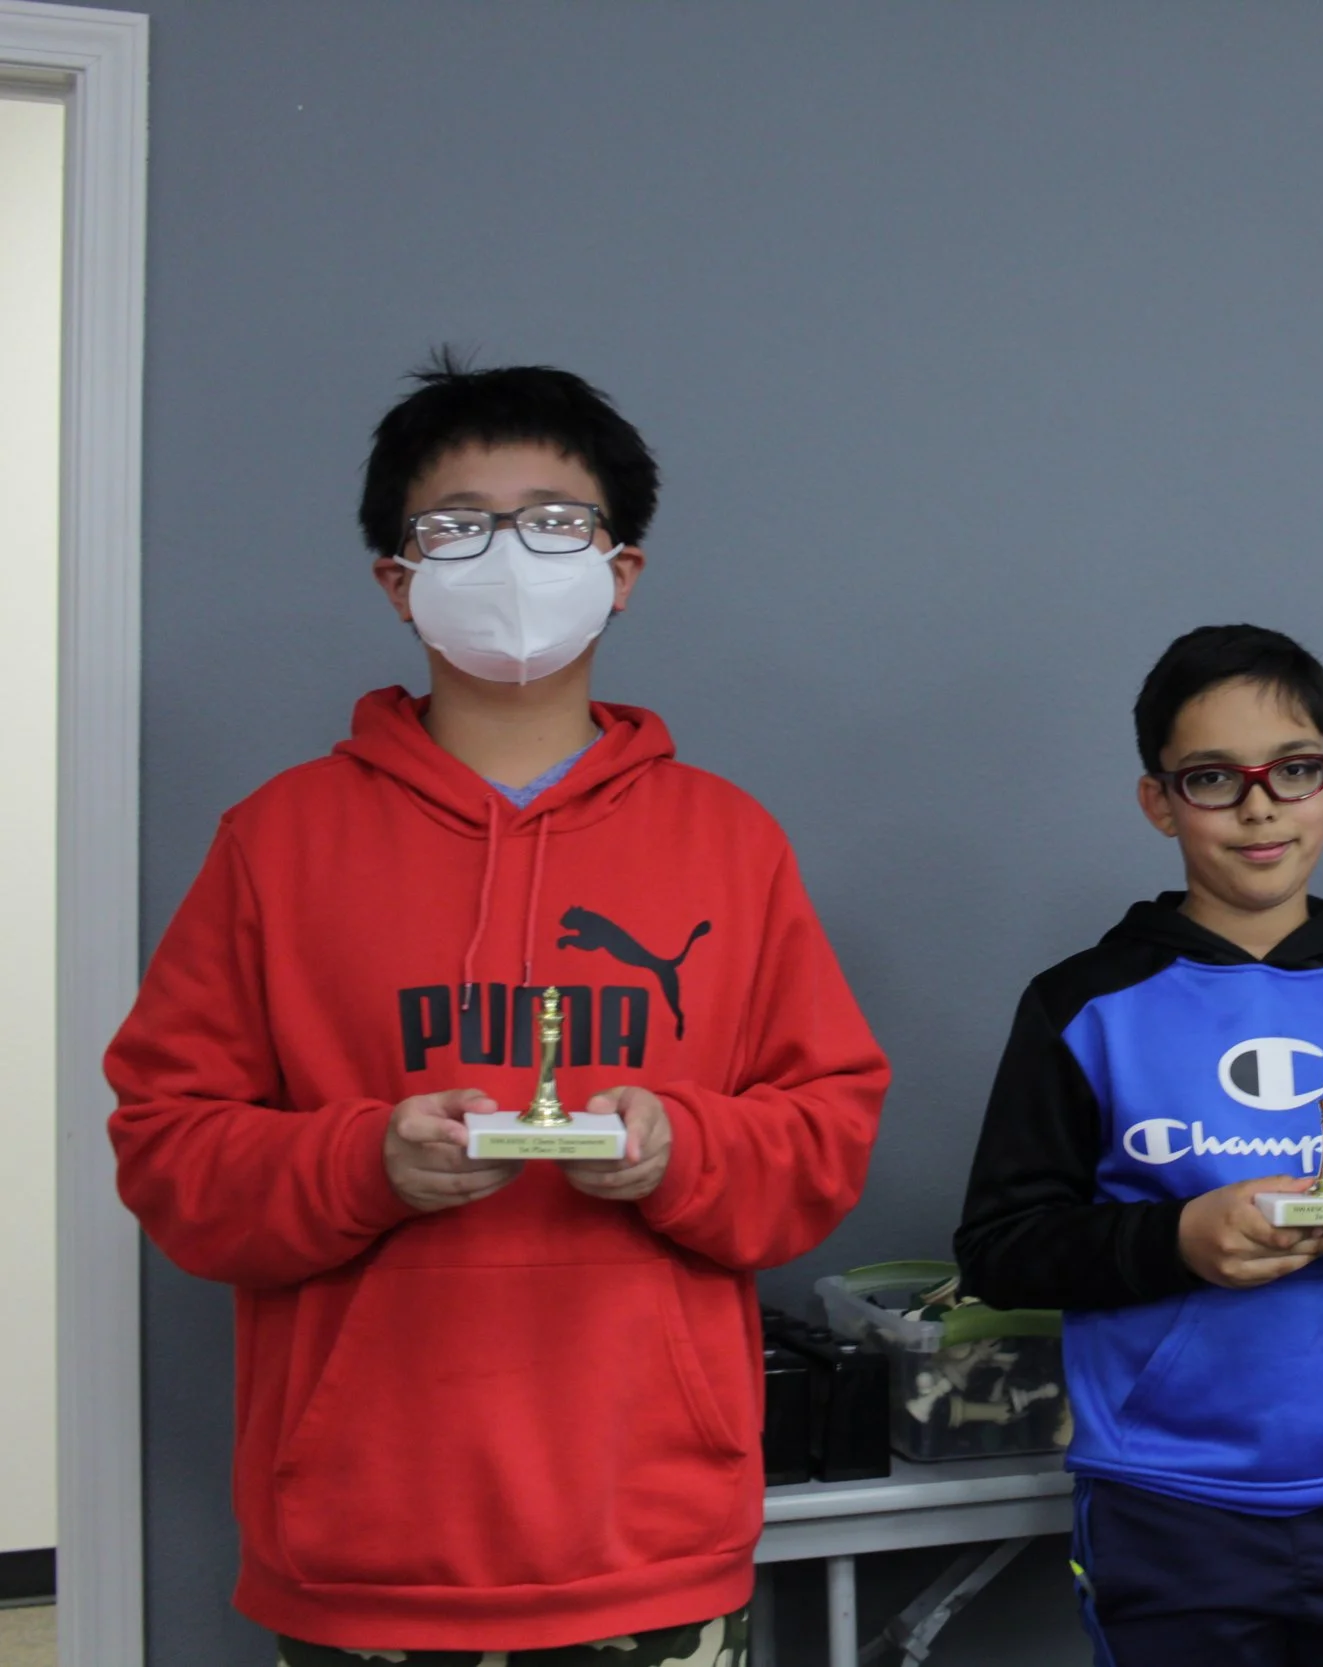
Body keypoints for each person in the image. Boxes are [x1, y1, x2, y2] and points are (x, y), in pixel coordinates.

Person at [107, 354, 890, 1665]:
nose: (511, 555)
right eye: (459, 524)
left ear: (621, 568)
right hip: (367, 1553)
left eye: (555, 521)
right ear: (396, 576)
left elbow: (826, 1135)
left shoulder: (730, 841)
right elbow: (168, 1147)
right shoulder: (278, 840)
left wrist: (684, 1147)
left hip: (649, 1541)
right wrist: (362, 1159)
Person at [955, 624, 1323, 1667]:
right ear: (1159, 800)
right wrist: (1179, 1240)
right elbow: (1000, 1246)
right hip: (1166, 1499)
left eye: (1292, 769)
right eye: (1213, 777)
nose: (1260, 806)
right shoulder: (1083, 1005)